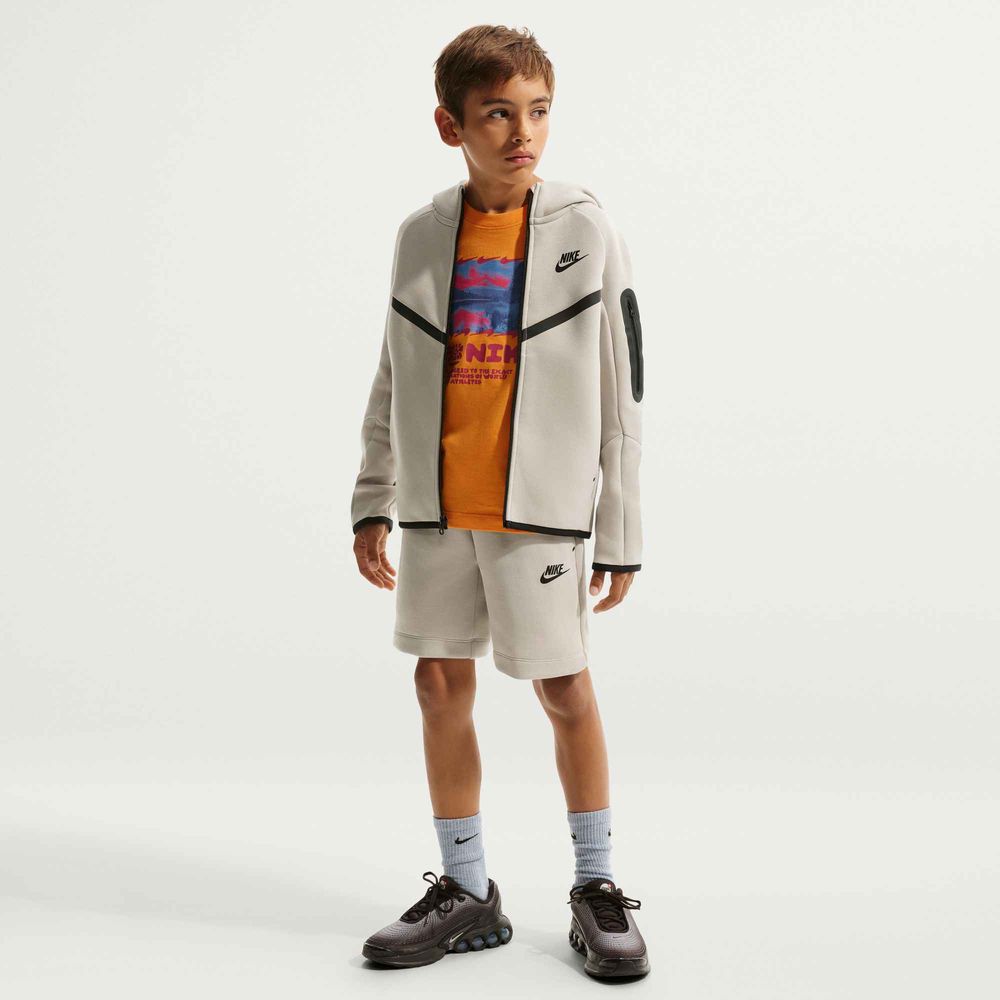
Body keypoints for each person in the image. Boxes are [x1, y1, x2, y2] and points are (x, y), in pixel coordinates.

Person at [350, 24, 649, 979]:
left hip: (542, 514)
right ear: (451, 125)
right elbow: (394, 371)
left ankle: (597, 885)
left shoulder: (585, 230)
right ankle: (468, 890)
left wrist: (621, 528)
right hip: (438, 507)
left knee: (564, 689)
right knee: (438, 686)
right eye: (497, 114)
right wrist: (372, 496)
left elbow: (623, 387)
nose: (523, 133)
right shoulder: (420, 235)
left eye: (538, 111)